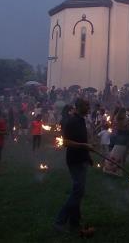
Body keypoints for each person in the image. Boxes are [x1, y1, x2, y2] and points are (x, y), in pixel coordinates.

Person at [54, 98, 95, 236]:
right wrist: (85, 147)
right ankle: (60, 221)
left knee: (79, 191)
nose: (89, 107)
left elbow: (82, 139)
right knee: (78, 191)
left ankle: (75, 221)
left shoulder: (81, 120)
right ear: (78, 107)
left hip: (82, 159)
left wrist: (88, 156)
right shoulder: (72, 121)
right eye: (86, 105)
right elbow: (65, 142)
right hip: (74, 160)